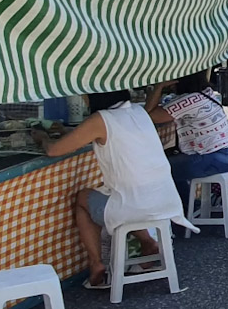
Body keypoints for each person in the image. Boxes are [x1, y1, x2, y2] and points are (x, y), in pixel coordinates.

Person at [45, 89, 189, 291]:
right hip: (164, 200)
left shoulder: (101, 119)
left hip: (134, 205)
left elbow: (53, 150)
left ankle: (96, 263)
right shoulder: (139, 112)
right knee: (126, 197)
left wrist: (42, 138)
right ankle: (147, 241)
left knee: (83, 199)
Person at [156, 70, 228, 187]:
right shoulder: (206, 93)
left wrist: (157, 88)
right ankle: (188, 203)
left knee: (161, 169)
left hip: (215, 157)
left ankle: (187, 204)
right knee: (173, 165)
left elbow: (150, 116)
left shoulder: (187, 101)